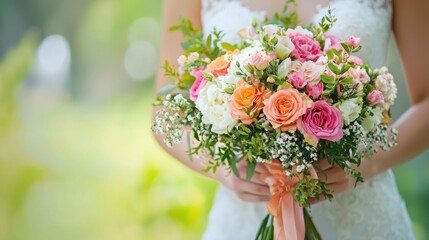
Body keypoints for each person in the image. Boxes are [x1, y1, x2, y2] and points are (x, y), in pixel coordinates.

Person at [153, 0, 428, 239]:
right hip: (247, 210)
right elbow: (163, 112)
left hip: (364, 214)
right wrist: (224, 169)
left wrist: (368, 161)